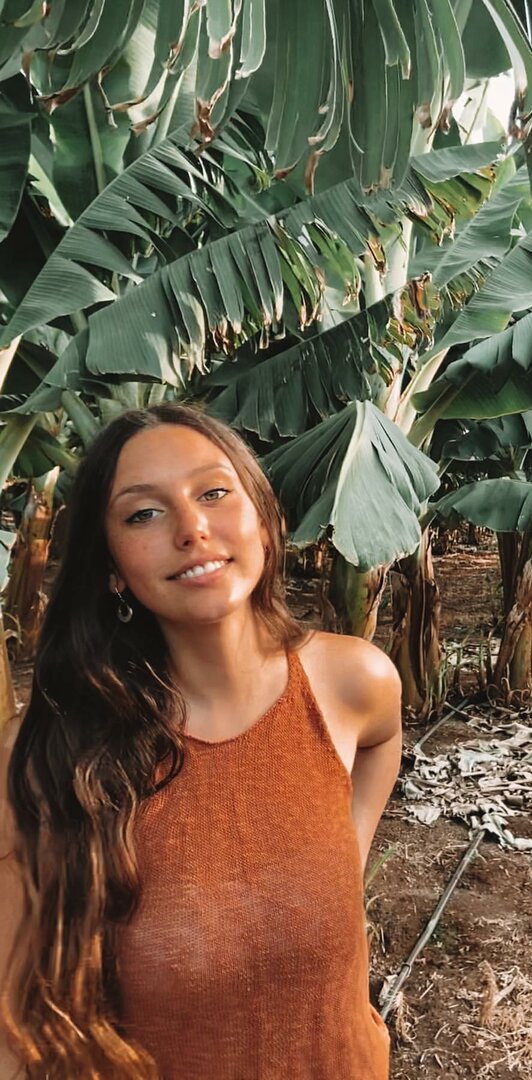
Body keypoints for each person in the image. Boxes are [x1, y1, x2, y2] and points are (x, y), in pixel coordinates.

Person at [0, 403, 403, 1079]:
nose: (192, 529)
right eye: (143, 514)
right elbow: (14, 1032)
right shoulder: (48, 756)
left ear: (264, 520)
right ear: (112, 568)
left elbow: (380, 742)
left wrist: (341, 858)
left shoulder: (350, 683)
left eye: (214, 493)